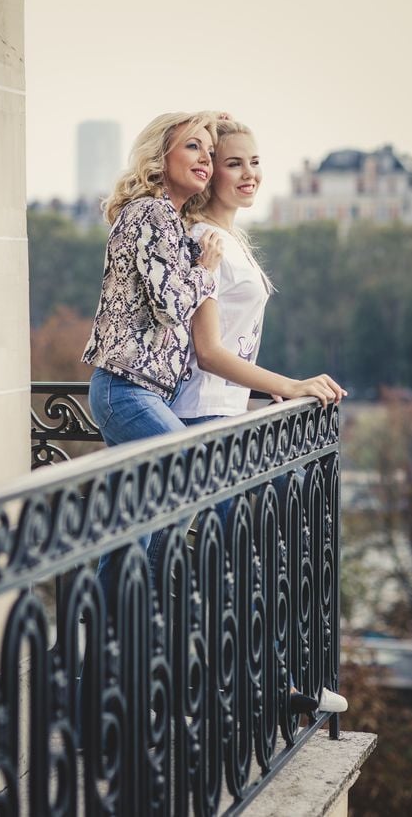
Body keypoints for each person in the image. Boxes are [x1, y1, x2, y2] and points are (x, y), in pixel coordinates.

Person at [172, 118, 348, 714]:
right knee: (241, 562)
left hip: (222, 416)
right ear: (208, 173)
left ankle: (260, 685)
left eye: (254, 162)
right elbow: (207, 352)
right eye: (233, 163)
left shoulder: (231, 238)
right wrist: (289, 384)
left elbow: (228, 354)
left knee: (255, 556)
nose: (249, 174)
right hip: (199, 422)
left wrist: (254, 399)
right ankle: (271, 689)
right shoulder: (202, 238)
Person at [81, 111, 224, 595]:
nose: (205, 157)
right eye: (192, 146)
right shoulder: (150, 212)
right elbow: (173, 305)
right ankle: (134, 612)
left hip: (144, 393)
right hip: (125, 391)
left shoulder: (169, 218)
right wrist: (205, 270)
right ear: (159, 155)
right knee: (188, 468)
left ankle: (105, 639)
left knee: (136, 523)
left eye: (209, 149)